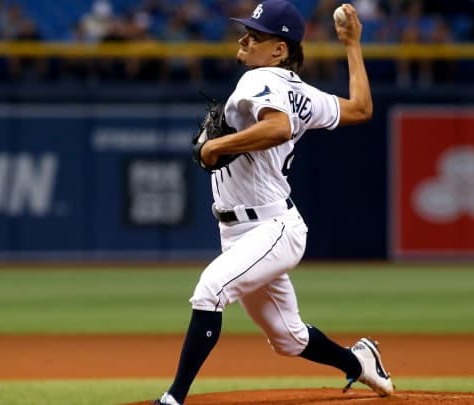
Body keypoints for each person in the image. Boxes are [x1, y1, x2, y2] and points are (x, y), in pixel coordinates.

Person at [151, 2, 394, 404]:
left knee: (210, 290)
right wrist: (353, 45)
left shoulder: (257, 79)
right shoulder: (301, 93)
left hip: (272, 228)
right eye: (246, 30)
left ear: (280, 50)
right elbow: (361, 108)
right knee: (289, 338)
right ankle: (359, 362)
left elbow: (278, 128)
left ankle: (173, 398)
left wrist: (216, 147)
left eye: (257, 35)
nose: (245, 38)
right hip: (247, 231)